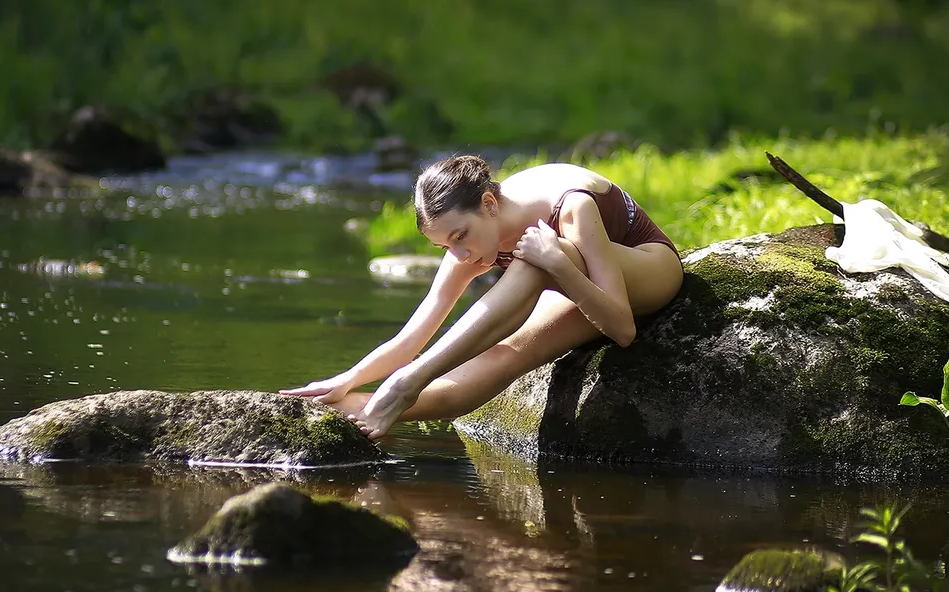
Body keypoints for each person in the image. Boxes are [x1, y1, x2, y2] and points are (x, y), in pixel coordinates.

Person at [280, 155, 684, 439]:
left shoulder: (571, 206)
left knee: (538, 256)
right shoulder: (472, 237)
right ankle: (356, 411)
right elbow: (412, 336)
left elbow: (622, 327)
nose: (460, 255)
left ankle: (409, 383)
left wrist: (557, 266)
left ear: (489, 204)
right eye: (445, 248)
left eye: (460, 238)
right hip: (570, 279)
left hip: (647, 273)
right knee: (502, 353)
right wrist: (347, 378)